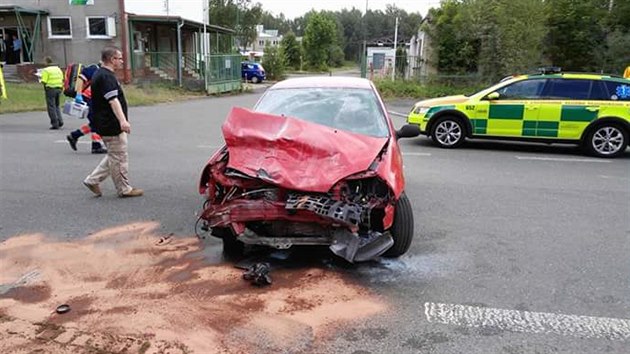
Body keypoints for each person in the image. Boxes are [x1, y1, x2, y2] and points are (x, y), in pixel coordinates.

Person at [83, 46, 143, 198]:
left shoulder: (100, 74)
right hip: (111, 123)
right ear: (112, 59)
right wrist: (123, 121)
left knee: (114, 155)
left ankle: (93, 180)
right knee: (120, 157)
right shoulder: (106, 77)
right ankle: (124, 188)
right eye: (120, 58)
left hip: (105, 122)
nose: (122, 61)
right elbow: (113, 100)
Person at [66, 63, 107, 154]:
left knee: (95, 122)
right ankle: (96, 145)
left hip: (95, 100)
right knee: (96, 122)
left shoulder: (106, 72)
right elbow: (81, 79)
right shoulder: (94, 68)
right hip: (88, 98)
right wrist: (79, 94)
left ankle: (75, 135)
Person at [39, 59, 64, 129]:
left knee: (51, 106)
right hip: (59, 88)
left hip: (50, 88)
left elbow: (44, 81)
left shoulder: (46, 70)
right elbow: (62, 78)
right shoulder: (58, 69)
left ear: (46, 62)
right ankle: (60, 121)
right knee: (57, 105)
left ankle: (55, 123)